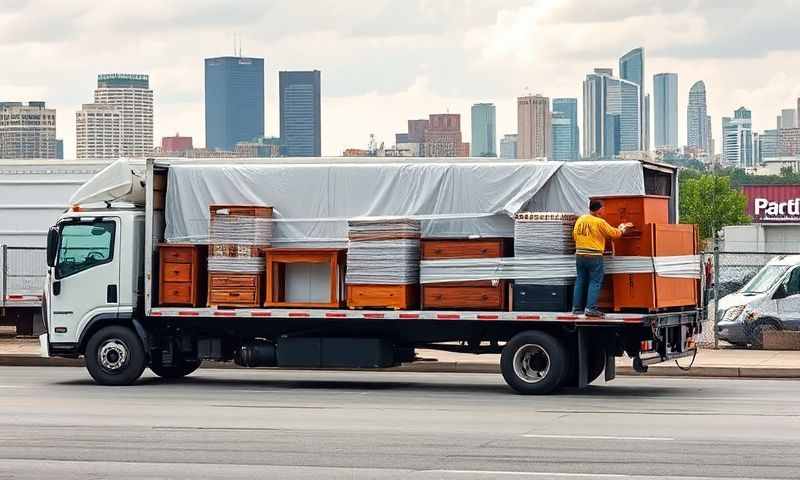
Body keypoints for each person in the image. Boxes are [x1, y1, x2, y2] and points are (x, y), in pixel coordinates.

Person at [572, 200, 632, 317]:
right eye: (603, 208)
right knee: (595, 281)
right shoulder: (599, 222)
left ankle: (577, 308)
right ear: (599, 209)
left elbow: (574, 236)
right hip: (594, 256)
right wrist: (622, 229)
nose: (604, 210)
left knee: (580, 280)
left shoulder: (581, 219)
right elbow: (614, 234)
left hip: (579, 255)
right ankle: (590, 308)